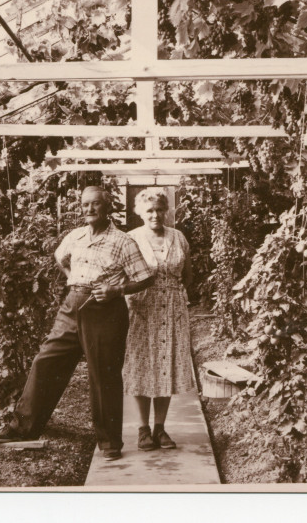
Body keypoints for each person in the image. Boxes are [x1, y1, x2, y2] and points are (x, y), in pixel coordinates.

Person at [0, 185, 153, 461]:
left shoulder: (123, 242)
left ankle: (110, 442)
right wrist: (71, 277)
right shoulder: (75, 236)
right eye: (85, 204)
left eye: (95, 204)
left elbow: (146, 276)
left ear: (107, 207)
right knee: (46, 360)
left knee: (103, 375)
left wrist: (118, 291)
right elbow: (59, 257)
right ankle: (24, 427)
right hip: (71, 305)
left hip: (105, 311)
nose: (89, 209)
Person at [123, 189, 196, 451]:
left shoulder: (178, 237)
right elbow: (123, 278)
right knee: (142, 367)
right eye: (149, 210)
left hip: (172, 310)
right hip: (142, 311)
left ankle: (160, 428)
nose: (155, 214)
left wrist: (173, 294)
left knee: (166, 366)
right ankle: (143, 430)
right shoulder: (130, 239)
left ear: (167, 211)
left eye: (159, 209)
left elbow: (187, 275)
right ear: (140, 212)